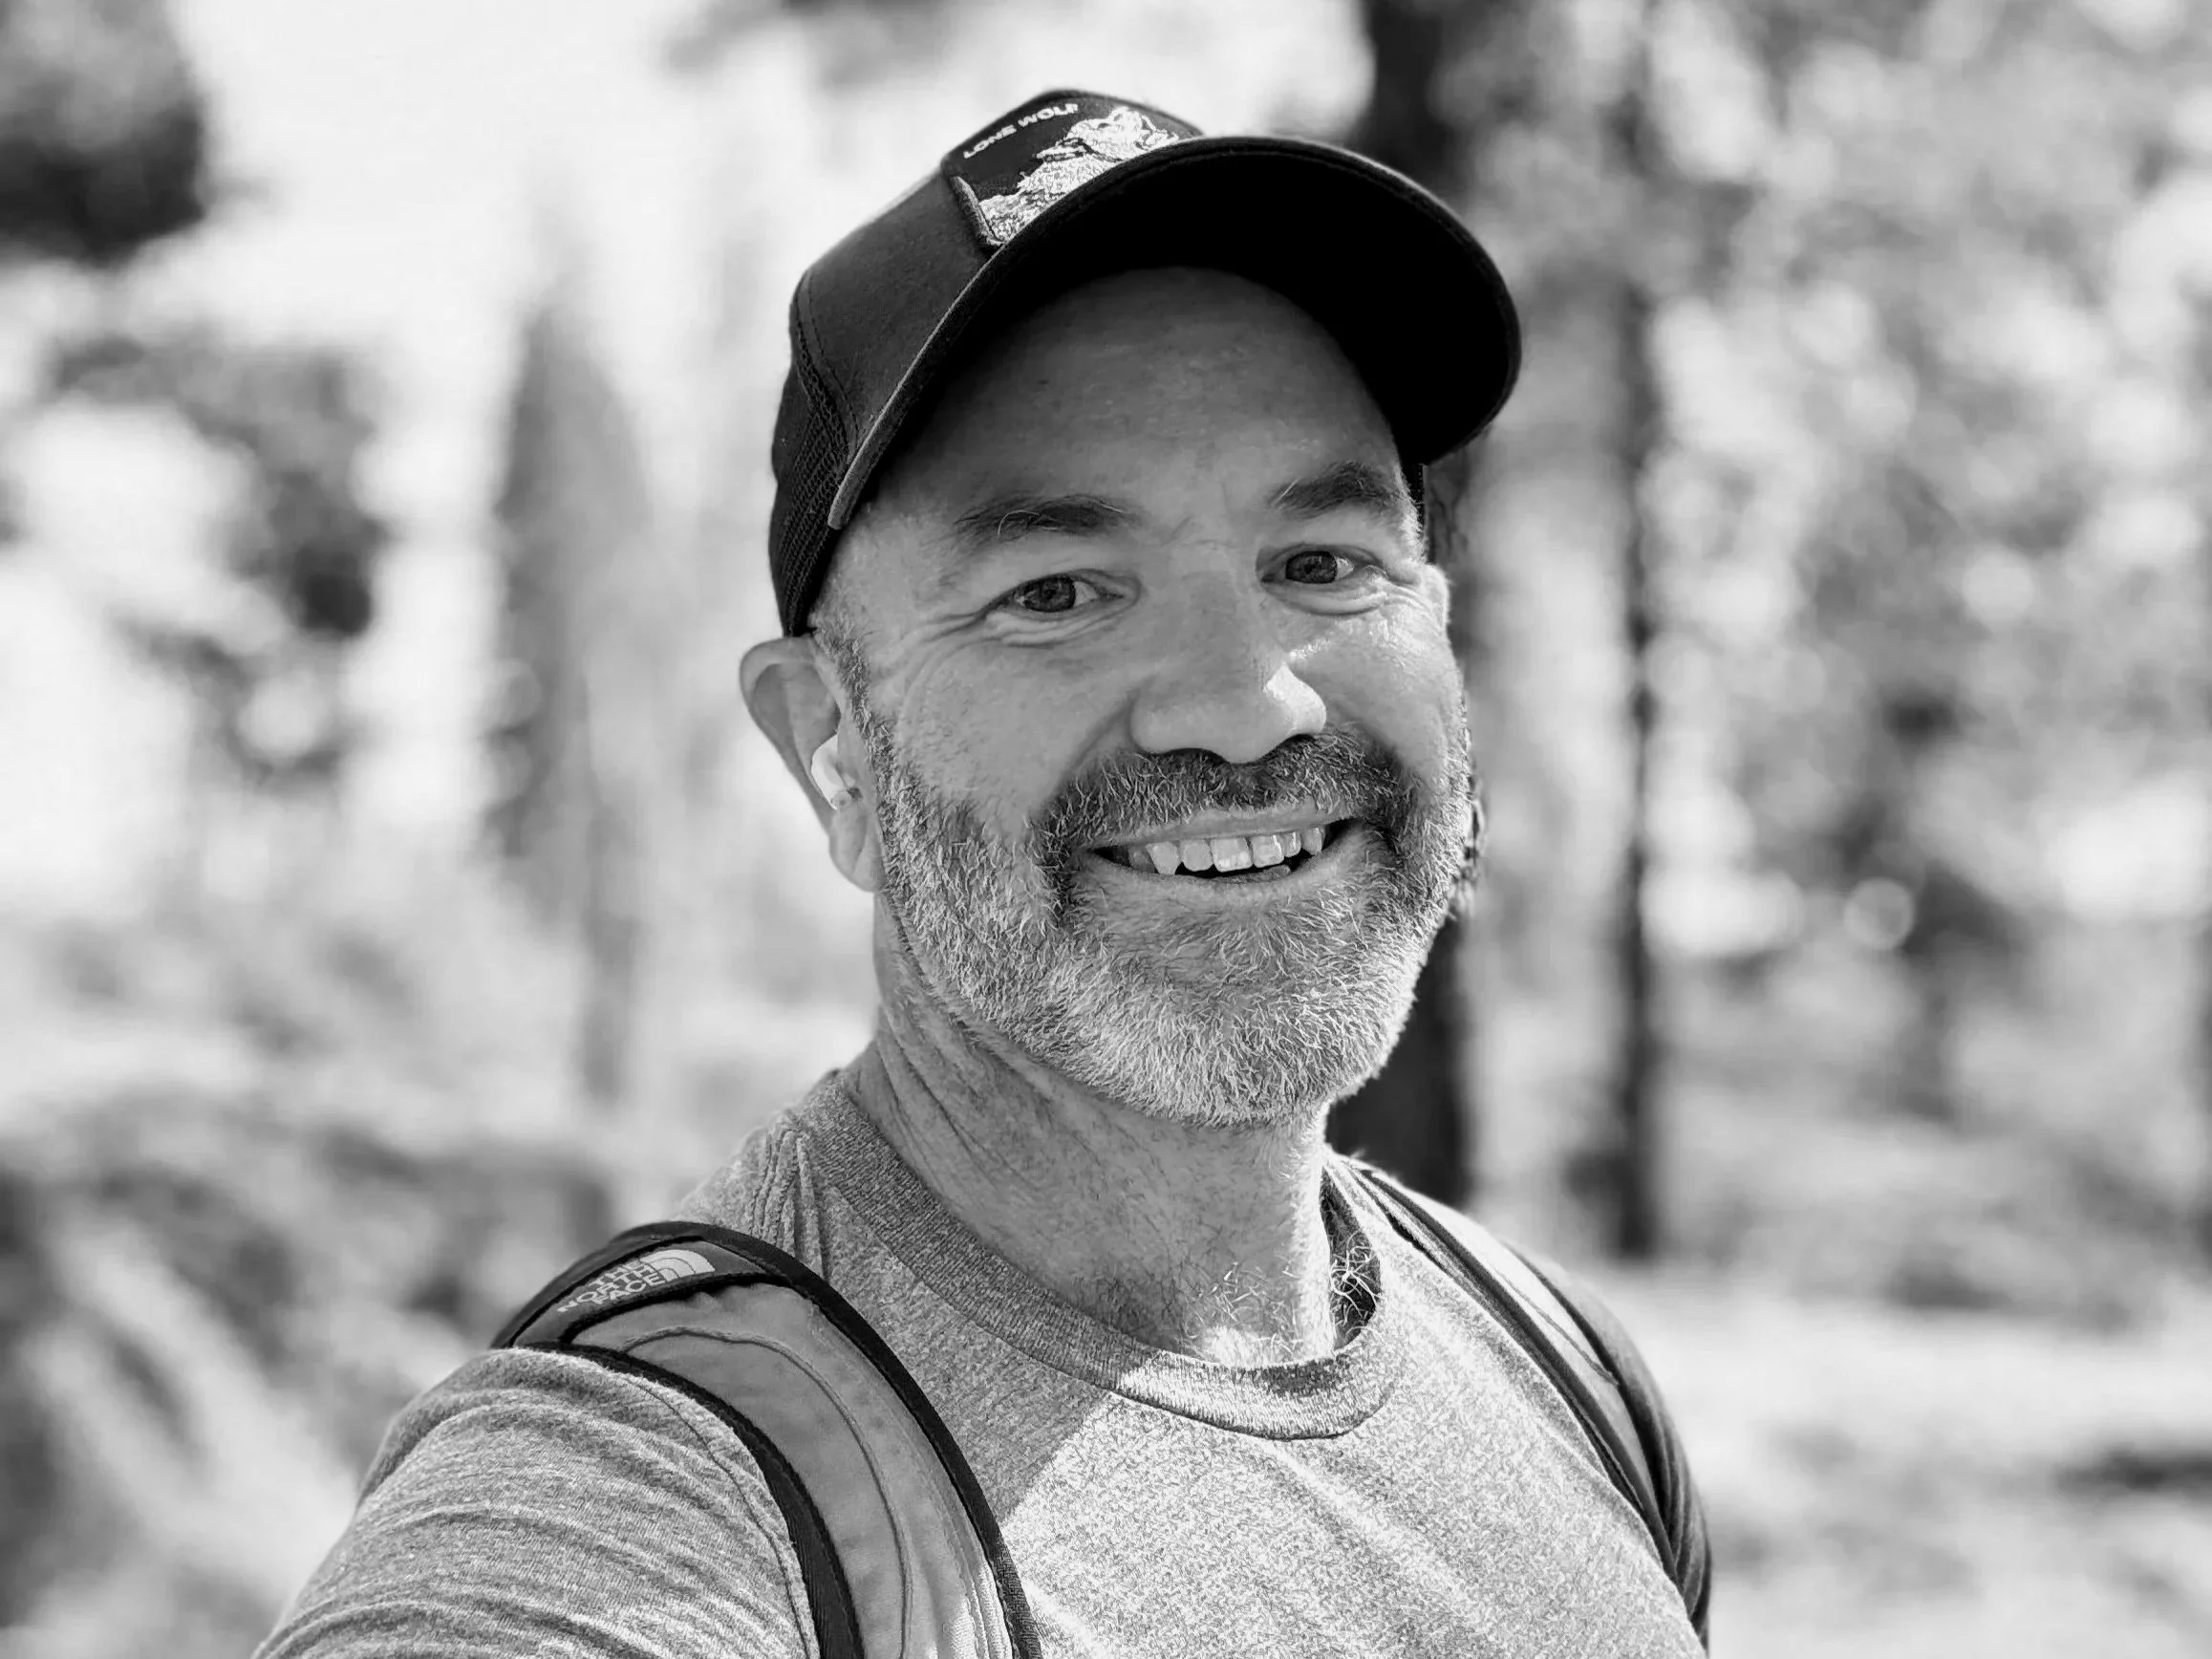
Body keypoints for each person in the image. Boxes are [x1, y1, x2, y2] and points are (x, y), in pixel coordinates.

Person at [256, 88, 1709, 1657]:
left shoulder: (1557, 1370)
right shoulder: (668, 1498)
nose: (1242, 702)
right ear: (834, 746)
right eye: (1059, 590)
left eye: (1322, 564)